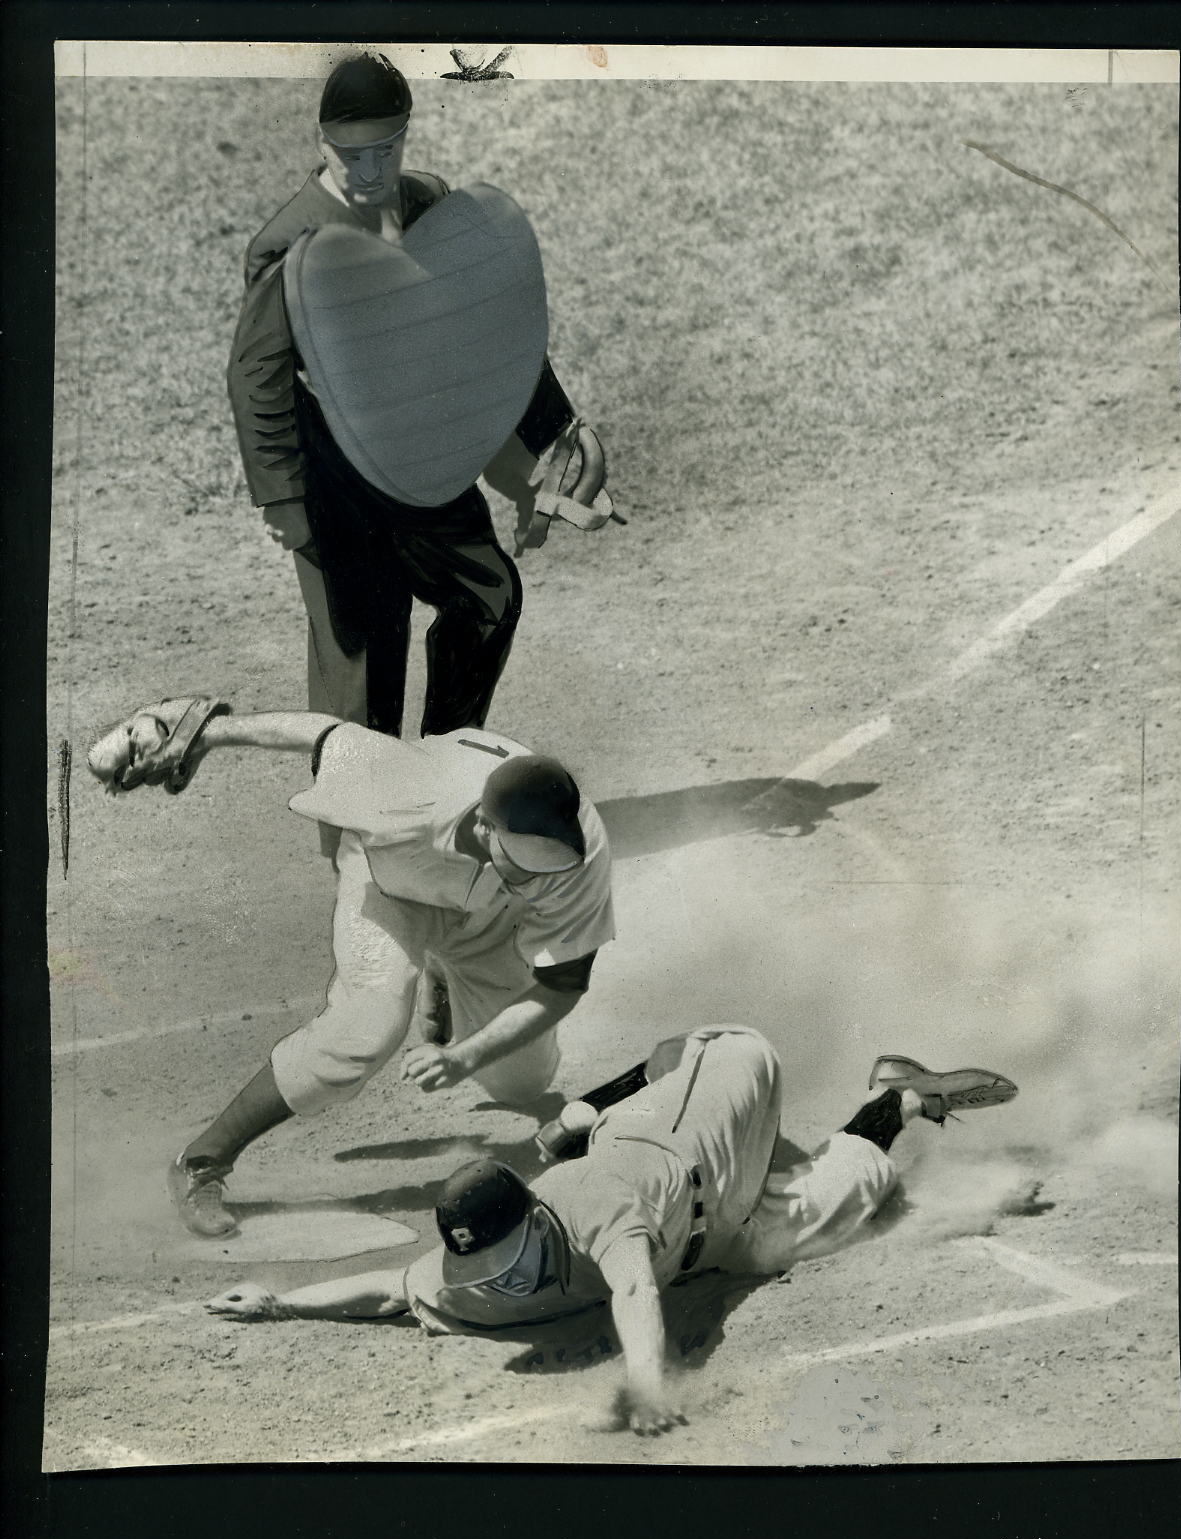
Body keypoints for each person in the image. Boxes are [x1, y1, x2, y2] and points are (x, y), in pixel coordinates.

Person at [205, 1033, 1019, 1437]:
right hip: (713, 1231)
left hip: (716, 1126)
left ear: (532, 1220)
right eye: (480, 1264)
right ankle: (894, 1100)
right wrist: (277, 1302)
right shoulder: (475, 1267)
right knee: (811, 1220)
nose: (496, 1278)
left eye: (501, 1257)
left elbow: (633, 1289)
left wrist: (648, 1383)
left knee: (723, 1060)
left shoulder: (595, 1211)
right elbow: (390, 1285)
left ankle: (666, 1071)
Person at [87, 695, 615, 1240]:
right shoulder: (405, 789)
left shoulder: (577, 853)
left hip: (489, 917)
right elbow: (321, 734)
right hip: (391, 885)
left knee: (522, 1081)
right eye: (524, 864)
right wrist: (197, 733)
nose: (538, 877)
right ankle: (201, 1162)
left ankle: (443, 976)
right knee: (367, 1028)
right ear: (483, 825)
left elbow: (562, 984)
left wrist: (464, 1057)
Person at [227, 52, 609, 758]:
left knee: (489, 597)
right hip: (338, 485)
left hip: (425, 463)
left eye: (386, 151)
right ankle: (361, 841)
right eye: (352, 157)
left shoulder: (431, 205)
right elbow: (256, 375)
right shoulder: (290, 243)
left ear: (404, 137)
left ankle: (443, 767)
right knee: (366, 660)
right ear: (322, 146)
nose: (371, 171)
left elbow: (490, 322)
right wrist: (281, 501)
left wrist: (554, 428)